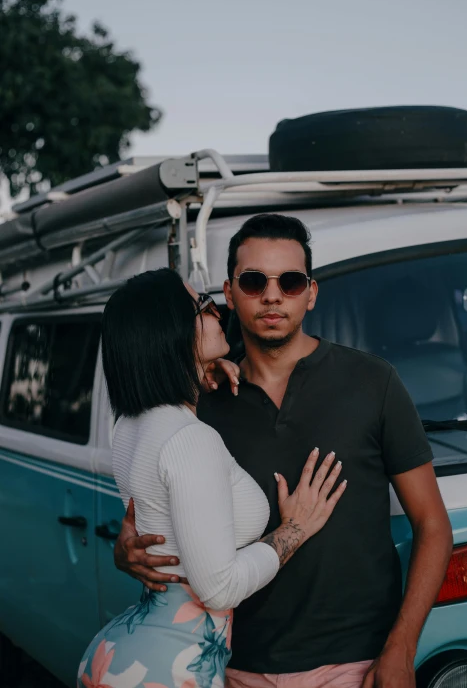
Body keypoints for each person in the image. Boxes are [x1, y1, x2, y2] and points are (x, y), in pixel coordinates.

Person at [114, 214, 454, 688]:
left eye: (290, 282)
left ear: (310, 293)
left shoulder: (373, 382)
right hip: (231, 666)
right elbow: (148, 508)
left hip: (352, 665)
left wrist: (402, 646)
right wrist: (126, 549)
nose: (272, 295)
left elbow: (433, 526)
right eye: (254, 281)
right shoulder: (197, 406)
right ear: (229, 295)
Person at [77, 268, 346, 688]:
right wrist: (294, 530)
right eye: (203, 307)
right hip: (172, 668)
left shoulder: (129, 424)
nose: (218, 311)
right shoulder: (190, 440)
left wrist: (197, 369)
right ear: (172, 332)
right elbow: (218, 589)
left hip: (132, 649)